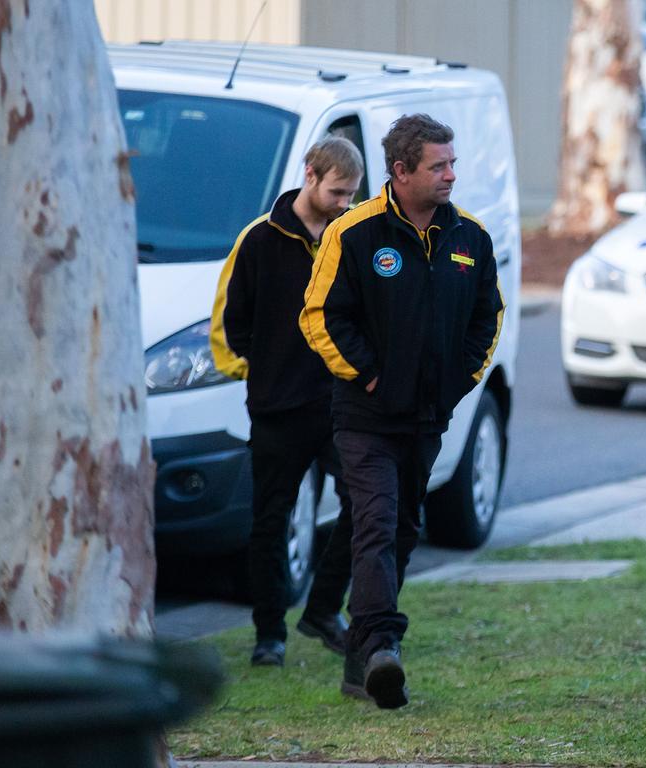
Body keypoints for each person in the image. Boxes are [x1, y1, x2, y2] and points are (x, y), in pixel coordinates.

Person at [300, 113, 505, 709]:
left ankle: (361, 659)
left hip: (427, 418)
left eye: (452, 163)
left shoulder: (471, 237)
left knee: (404, 529)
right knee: (375, 521)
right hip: (364, 417)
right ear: (400, 171)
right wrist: (368, 373)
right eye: (438, 165)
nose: (450, 175)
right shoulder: (354, 233)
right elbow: (318, 316)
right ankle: (385, 644)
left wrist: (457, 380)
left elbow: (486, 319)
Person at [210, 135, 365, 667]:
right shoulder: (258, 239)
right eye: (338, 192)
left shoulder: (353, 237)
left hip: (341, 407)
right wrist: (270, 374)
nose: (345, 203)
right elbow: (233, 326)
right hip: (278, 409)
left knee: (366, 505)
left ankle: (323, 608)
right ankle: (268, 635)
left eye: (352, 195)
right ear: (310, 174)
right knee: (270, 522)